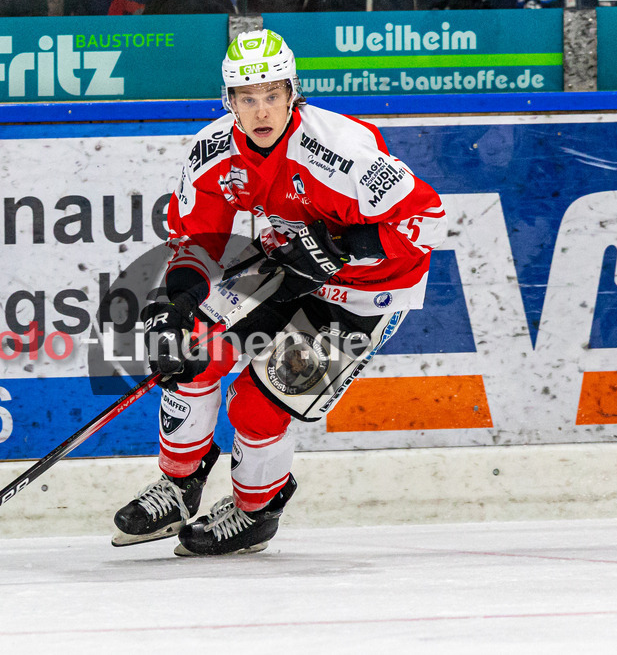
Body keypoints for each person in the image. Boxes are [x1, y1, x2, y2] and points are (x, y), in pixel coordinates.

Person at [111, 29, 447, 556]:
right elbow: (200, 239)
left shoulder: (339, 152)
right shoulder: (214, 151)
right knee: (191, 349)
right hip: (284, 266)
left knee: (257, 405)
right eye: (248, 98)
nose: (261, 109)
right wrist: (174, 300)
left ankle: (255, 511)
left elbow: (428, 221)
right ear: (230, 102)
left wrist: (339, 243)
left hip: (366, 291)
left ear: (294, 93)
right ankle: (181, 482)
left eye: (273, 94)